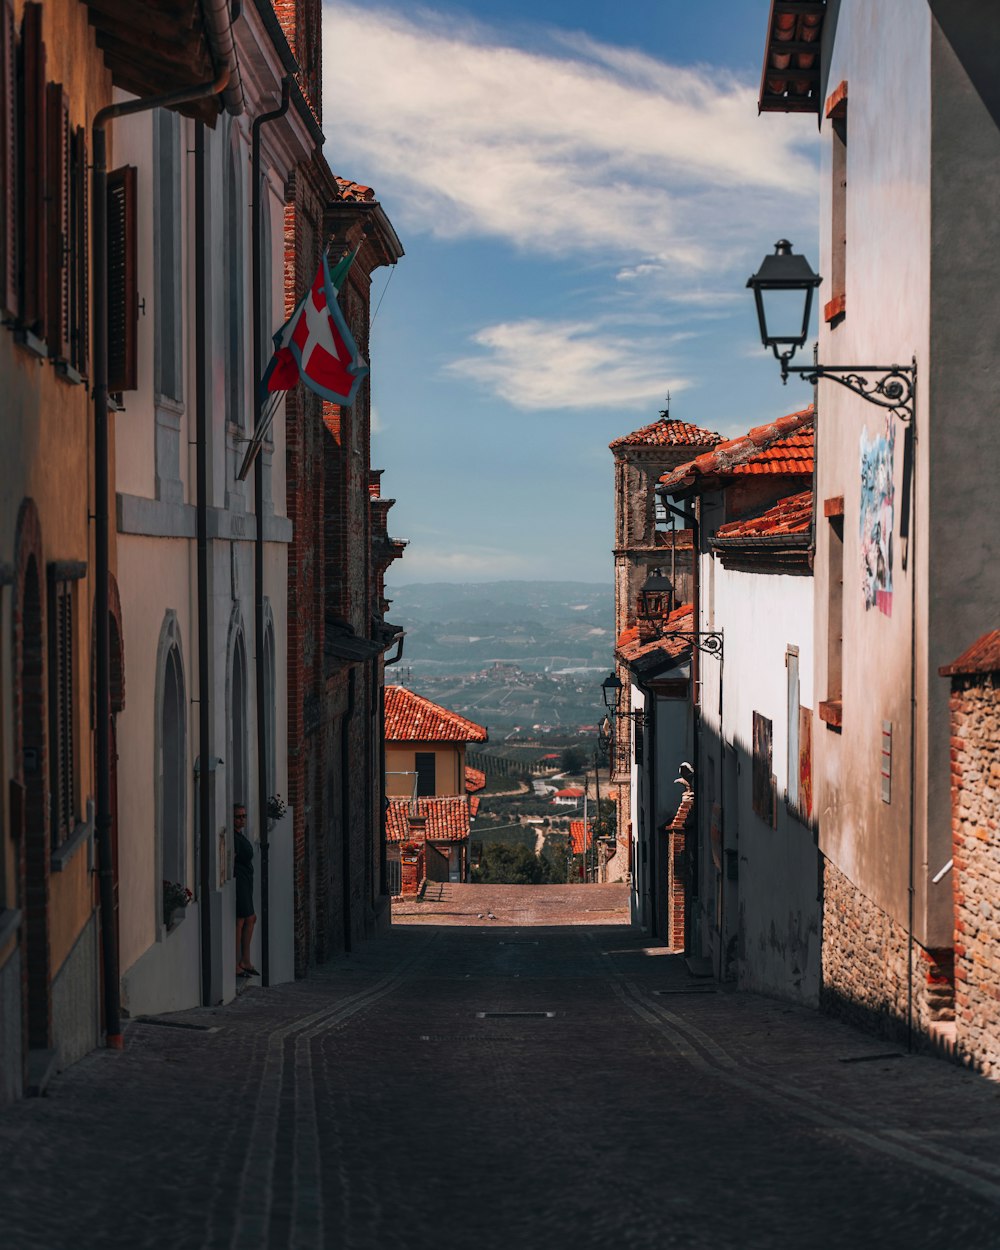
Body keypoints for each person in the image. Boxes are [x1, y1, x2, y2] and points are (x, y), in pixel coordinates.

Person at [233, 803, 258, 977]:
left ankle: (245, 960)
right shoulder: (234, 838)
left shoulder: (239, 836)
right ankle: (238, 962)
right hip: (240, 881)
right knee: (242, 920)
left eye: (244, 816)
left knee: (249, 919)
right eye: (238, 816)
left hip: (246, 880)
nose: (242, 819)